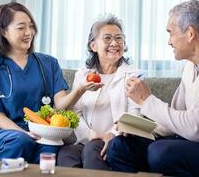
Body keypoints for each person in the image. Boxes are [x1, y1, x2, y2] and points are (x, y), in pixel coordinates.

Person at [106, 0, 199, 177]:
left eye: (170, 33)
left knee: (161, 152)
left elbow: (194, 128)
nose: (169, 41)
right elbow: (174, 117)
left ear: (190, 33)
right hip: (193, 143)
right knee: (120, 146)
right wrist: (138, 129)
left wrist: (146, 100)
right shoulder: (190, 66)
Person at [0, 2, 93, 163]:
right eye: (21, 27)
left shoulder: (49, 63)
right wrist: (24, 133)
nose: (29, 32)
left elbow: (60, 106)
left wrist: (80, 89)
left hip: (43, 132)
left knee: (50, 151)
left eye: (31, 26)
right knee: (21, 141)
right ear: (3, 31)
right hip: (4, 131)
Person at [57, 14, 141, 170]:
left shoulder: (133, 76)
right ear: (93, 46)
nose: (115, 43)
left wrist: (111, 135)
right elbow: (75, 112)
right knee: (65, 155)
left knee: (91, 151)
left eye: (119, 38)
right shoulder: (83, 74)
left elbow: (134, 114)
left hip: (116, 141)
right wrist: (91, 135)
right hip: (88, 138)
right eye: (107, 38)